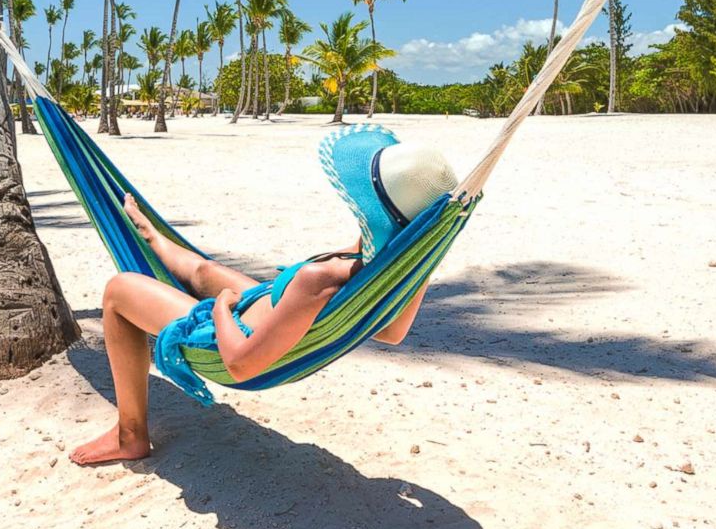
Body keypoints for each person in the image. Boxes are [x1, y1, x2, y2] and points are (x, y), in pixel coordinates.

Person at [70, 125, 458, 465]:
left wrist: (219, 308)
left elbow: (239, 364)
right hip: (267, 305)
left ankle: (130, 435)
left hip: (233, 334)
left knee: (118, 291)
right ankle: (150, 234)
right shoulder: (386, 264)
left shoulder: (318, 279)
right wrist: (421, 257)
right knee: (205, 269)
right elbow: (391, 332)